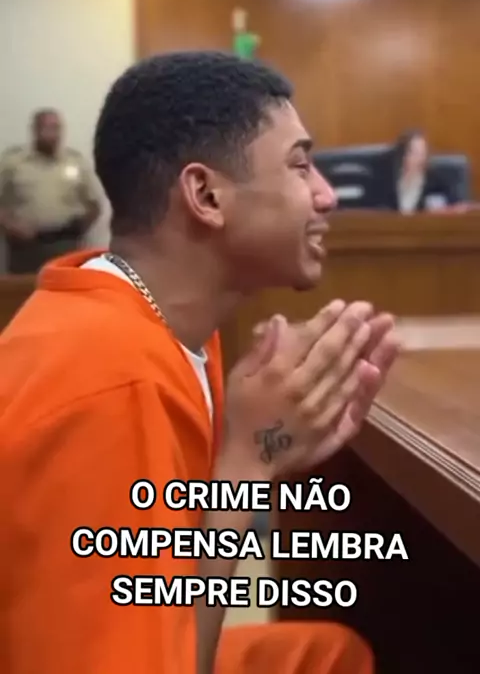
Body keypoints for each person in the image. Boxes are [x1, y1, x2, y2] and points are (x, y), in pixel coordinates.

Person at [0, 52, 401, 674]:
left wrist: (266, 448)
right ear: (207, 195)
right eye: (300, 165)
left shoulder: (159, 320)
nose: (326, 195)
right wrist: (248, 462)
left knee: (328, 653)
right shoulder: (112, 383)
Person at [0, 108, 101, 273]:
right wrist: (10, 226)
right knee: (26, 289)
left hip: (65, 245)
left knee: (66, 288)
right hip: (26, 248)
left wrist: (78, 229)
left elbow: (94, 205)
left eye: (56, 128)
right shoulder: (13, 162)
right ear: (34, 130)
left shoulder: (75, 162)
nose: (52, 134)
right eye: (46, 127)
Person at [382, 129, 458, 213]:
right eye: (415, 153)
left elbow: (456, 206)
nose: (420, 159)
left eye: (423, 154)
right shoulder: (386, 179)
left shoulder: (435, 181)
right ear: (402, 155)